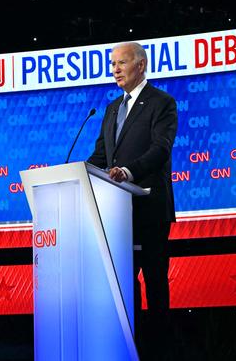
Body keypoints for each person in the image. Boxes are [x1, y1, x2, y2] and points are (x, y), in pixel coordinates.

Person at [87, 42, 177, 358]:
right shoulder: (112, 108)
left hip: (150, 209)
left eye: (120, 63)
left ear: (140, 65)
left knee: (154, 282)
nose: (114, 69)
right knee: (126, 284)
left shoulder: (162, 103)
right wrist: (79, 173)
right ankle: (133, 347)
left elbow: (160, 149)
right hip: (118, 213)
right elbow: (101, 155)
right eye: (112, 64)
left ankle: (161, 349)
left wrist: (128, 171)